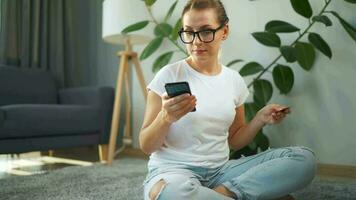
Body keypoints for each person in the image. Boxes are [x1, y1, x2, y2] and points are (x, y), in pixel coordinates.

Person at [139, 0, 316, 199]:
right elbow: (146, 145)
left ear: (224, 31)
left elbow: (235, 140)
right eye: (189, 32)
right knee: (168, 192)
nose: (196, 41)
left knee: (303, 159)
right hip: (173, 174)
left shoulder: (234, 80)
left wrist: (259, 119)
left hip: (222, 173)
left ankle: (224, 194)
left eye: (206, 31)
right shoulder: (168, 75)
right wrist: (165, 117)